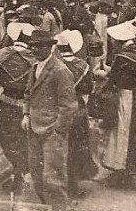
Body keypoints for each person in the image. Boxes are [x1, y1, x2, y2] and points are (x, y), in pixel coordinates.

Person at [22, 29, 79, 211]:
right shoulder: (35, 67)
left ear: (50, 47)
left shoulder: (61, 71)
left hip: (52, 131)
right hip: (34, 127)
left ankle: (60, 207)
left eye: (39, 47)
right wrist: (26, 114)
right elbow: (28, 93)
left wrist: (58, 131)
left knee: (53, 177)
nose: (35, 50)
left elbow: (68, 106)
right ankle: (47, 206)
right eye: (33, 46)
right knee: (36, 173)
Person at [102, 16, 136, 184]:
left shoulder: (124, 57)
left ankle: (121, 167)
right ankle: (132, 165)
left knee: (122, 130)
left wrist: (105, 74)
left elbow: (116, 79)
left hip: (126, 96)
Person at [0, 21, 37, 193]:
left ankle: (8, 176)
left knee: (6, 140)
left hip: (6, 102)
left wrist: (5, 81)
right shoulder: (35, 58)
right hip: (27, 106)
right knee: (24, 141)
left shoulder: (3, 54)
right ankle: (22, 175)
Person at [55, 29, 98, 197]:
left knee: (58, 146)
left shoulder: (54, 65)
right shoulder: (83, 66)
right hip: (77, 110)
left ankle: (58, 182)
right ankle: (73, 183)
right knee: (76, 146)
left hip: (57, 109)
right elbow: (88, 88)